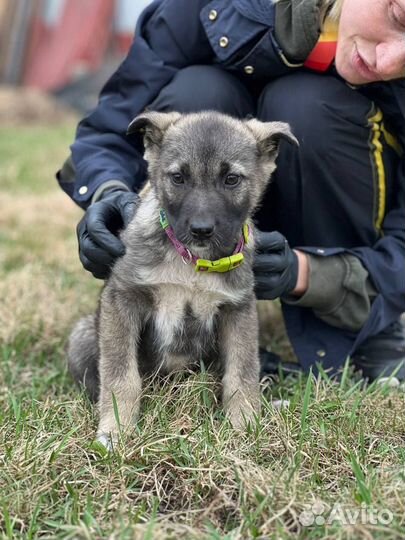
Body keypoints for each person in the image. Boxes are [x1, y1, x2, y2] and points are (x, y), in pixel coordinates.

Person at [57, 0, 405, 380]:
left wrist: (309, 274)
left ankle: (360, 332)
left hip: (326, 189)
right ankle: (186, 330)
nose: (389, 61)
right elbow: (108, 131)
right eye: (398, 16)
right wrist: (107, 194)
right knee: (198, 91)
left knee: (304, 108)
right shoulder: (203, 9)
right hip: (203, 194)